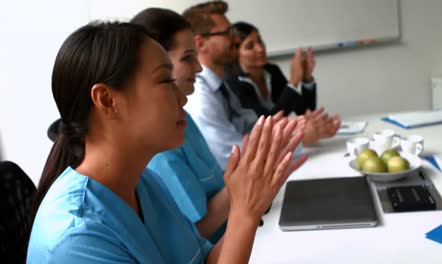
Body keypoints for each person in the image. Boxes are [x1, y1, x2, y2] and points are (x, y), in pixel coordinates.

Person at [27, 21, 304, 263]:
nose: (183, 98)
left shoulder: (146, 184)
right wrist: (244, 211)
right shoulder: (77, 238)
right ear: (108, 100)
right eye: (164, 80)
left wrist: (247, 208)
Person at [130, 8, 295, 243]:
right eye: (188, 57)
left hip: (240, 234)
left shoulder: (184, 119)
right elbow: (193, 233)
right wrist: (244, 177)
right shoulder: (157, 143)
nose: (198, 68)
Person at [183, 1, 340, 168]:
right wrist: (296, 139)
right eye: (227, 33)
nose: (235, 38)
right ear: (200, 44)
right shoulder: (201, 96)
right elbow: (230, 155)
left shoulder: (221, 86)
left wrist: (290, 129)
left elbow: (251, 127)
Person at [226, 21, 319, 117]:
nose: (260, 48)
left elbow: (305, 112)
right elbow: (264, 122)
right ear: (235, 53)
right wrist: (293, 82)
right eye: (250, 46)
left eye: (260, 41)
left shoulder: (272, 71)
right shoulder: (233, 83)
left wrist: (307, 78)